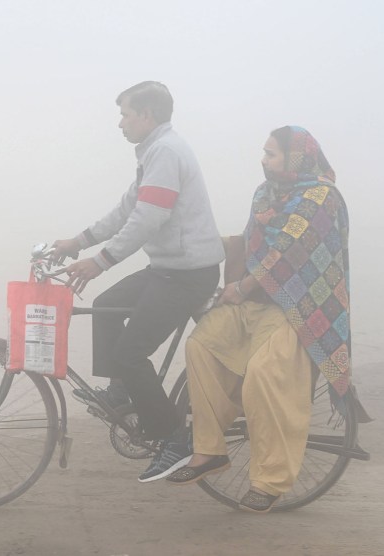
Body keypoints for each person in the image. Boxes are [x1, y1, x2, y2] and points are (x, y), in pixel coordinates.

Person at [167, 126, 354, 512]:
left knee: (263, 374)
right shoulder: (265, 194)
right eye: (264, 152)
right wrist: (198, 243)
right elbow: (251, 242)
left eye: (271, 154)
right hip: (252, 300)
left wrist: (242, 287)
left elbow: (285, 252)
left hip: (298, 308)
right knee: (201, 345)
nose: (263, 160)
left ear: (296, 158)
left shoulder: (320, 198)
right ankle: (209, 450)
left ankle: (270, 481)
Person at [50, 81, 224, 482]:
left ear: (147, 115)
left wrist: (101, 260)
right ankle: (121, 392)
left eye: (126, 114)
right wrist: (78, 242)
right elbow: (128, 207)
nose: (121, 123)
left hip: (187, 274)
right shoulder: (153, 151)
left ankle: (175, 440)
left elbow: (148, 217)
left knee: (130, 353)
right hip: (168, 268)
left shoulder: (166, 151)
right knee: (106, 306)